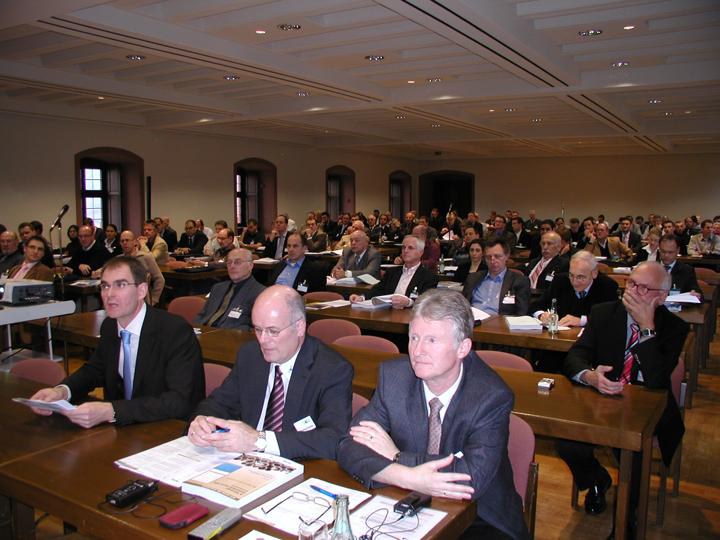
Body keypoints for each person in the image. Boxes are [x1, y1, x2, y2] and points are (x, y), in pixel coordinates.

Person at [338, 289, 529, 540]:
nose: (418, 351)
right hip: (405, 500)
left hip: (479, 517)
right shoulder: (394, 378)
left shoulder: (490, 396)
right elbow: (349, 446)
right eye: (414, 337)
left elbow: (469, 479)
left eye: (431, 340)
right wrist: (408, 477)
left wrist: (396, 456)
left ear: (463, 348)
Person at [557, 262, 688, 525]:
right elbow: (575, 357)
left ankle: (628, 523)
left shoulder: (674, 327)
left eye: (643, 288)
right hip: (604, 401)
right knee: (567, 442)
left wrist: (647, 328)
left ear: (662, 297)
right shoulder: (604, 313)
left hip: (649, 408)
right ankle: (597, 479)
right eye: (631, 284)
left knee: (632, 455)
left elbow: (657, 381)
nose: (633, 292)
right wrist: (590, 376)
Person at [28, 256, 205, 427]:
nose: (109, 294)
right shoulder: (110, 326)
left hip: (165, 428)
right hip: (123, 428)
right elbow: (95, 370)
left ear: (141, 290)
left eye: (120, 285)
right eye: (105, 286)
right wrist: (62, 391)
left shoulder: (174, 331)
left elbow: (179, 400)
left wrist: (112, 411)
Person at [188, 285, 353, 460]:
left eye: (273, 331)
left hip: (298, 463)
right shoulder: (250, 355)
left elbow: (333, 440)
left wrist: (259, 440)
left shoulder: (332, 369)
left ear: (299, 327)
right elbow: (219, 403)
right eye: (258, 329)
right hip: (244, 461)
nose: (263, 340)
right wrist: (202, 421)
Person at [529, 251, 619, 372]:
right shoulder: (560, 281)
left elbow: (612, 318)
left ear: (594, 273)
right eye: (571, 275)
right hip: (556, 347)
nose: (574, 281)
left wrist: (582, 320)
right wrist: (541, 315)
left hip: (589, 352)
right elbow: (535, 305)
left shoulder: (608, 286)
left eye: (580, 277)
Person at [350, 235, 438, 309]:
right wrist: (361, 297)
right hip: (386, 313)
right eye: (403, 247)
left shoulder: (428, 277)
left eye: (410, 248)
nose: (405, 251)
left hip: (409, 315)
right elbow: (378, 290)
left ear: (420, 252)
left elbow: (427, 301)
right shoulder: (392, 272)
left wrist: (408, 302)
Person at [194, 248, 265, 330]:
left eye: (237, 262)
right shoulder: (218, 288)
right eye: (229, 262)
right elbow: (202, 316)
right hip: (203, 332)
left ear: (250, 266)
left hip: (230, 335)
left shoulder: (260, 293)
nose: (232, 266)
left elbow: (255, 329)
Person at [463, 238, 530, 316]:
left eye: (497, 256)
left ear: (507, 256)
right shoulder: (472, 278)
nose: (492, 261)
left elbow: (521, 313)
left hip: (500, 321)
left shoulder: (519, 281)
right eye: (488, 257)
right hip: (473, 320)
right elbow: (462, 306)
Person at [116, 230, 165, 306]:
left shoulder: (146, 257)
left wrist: (154, 299)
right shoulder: (118, 260)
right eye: (122, 241)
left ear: (135, 242)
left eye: (127, 240)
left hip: (142, 300)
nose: (125, 243)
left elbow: (160, 279)